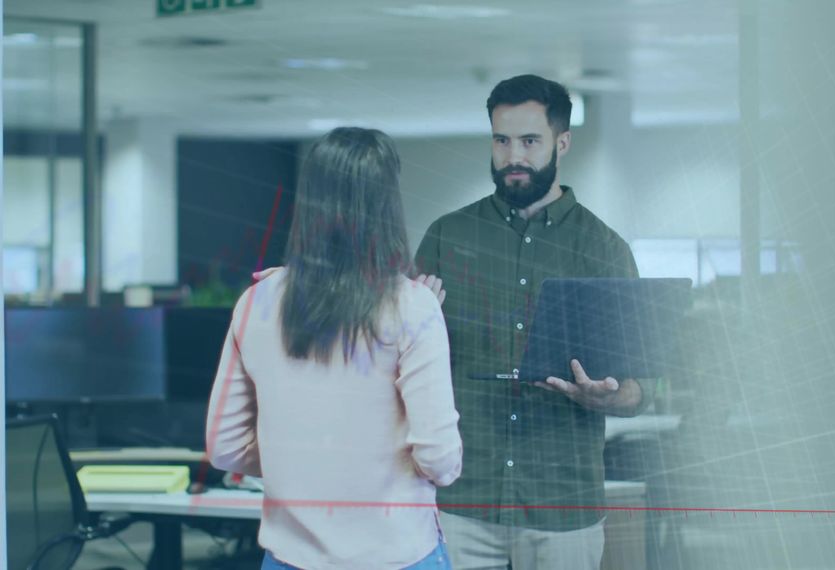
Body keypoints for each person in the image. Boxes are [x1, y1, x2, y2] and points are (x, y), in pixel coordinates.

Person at [413, 74, 653, 570]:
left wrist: (606, 396)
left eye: (529, 141)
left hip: (562, 504)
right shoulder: (446, 237)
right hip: (461, 500)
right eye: (501, 140)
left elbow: (640, 389)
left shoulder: (604, 250)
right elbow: (403, 362)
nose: (513, 156)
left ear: (561, 142)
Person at [206, 127, 462, 570]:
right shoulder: (412, 306)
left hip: (290, 558)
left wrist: (302, 464)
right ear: (386, 204)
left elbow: (225, 447)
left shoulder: (257, 301)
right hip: (396, 557)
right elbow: (440, 460)